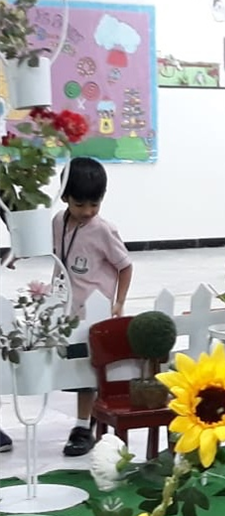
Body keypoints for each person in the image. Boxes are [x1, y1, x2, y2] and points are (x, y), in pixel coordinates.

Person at [55, 157, 133, 457]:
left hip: (95, 315)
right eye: (79, 204)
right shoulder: (57, 222)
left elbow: (125, 266)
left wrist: (119, 302)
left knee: (87, 374)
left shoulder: (103, 230)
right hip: (67, 312)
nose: (87, 212)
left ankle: (82, 426)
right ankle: (88, 418)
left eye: (94, 205)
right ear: (64, 197)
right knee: (75, 369)